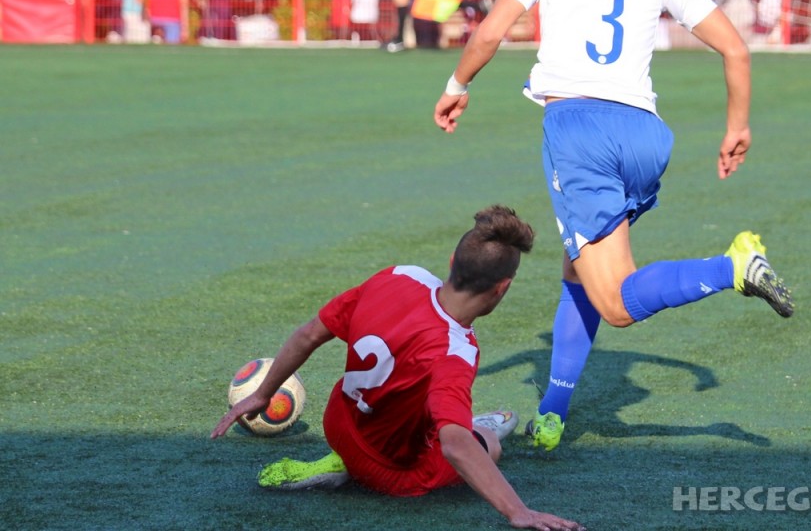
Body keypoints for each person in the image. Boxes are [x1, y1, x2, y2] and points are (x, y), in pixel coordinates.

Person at [433, 0, 794, 452]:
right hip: (645, 135)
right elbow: (735, 49)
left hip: (581, 133)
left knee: (617, 302)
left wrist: (456, 85)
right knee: (579, 265)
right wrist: (737, 127)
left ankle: (731, 267)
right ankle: (552, 412)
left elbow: (492, 30)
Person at [211, 206, 585, 531]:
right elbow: (455, 447)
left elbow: (310, 334)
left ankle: (350, 456)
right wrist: (518, 511)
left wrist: (262, 394)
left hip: (338, 422)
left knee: (420, 399)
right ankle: (475, 428)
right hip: (389, 470)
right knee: (484, 446)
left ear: (453, 263)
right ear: (502, 288)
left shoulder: (401, 276)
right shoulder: (457, 352)